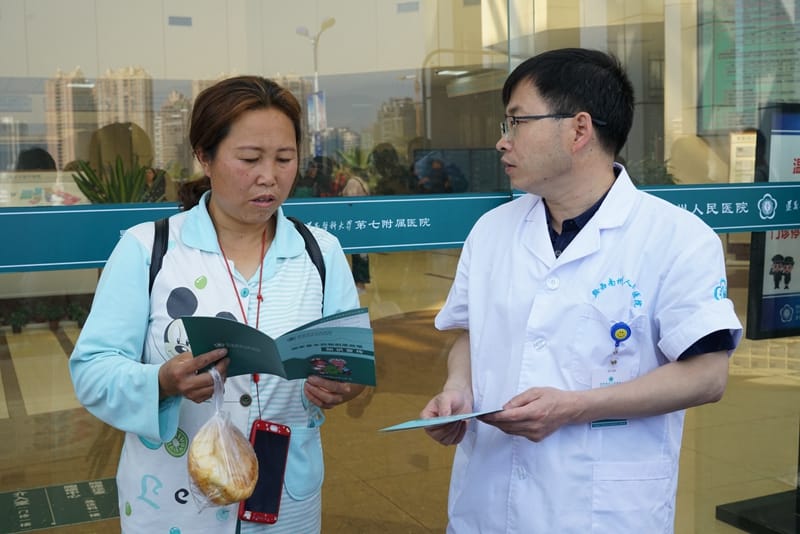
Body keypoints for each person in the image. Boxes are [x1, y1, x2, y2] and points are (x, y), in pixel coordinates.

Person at [420, 48, 742, 533]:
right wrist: (457, 391)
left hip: (602, 511)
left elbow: (707, 376)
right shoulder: (491, 231)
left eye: (516, 122)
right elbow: (471, 333)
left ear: (579, 129)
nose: (502, 141)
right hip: (487, 503)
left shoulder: (676, 238)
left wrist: (575, 407)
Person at [69, 75, 364, 534]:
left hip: (284, 501)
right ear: (204, 157)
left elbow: (352, 369)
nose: (269, 176)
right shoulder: (148, 249)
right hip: (174, 505)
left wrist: (344, 386)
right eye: (249, 158)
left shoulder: (320, 253)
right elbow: (92, 370)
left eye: (284, 158)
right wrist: (161, 381)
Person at [340, 172, 371, 291]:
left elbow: (350, 200)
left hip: (356, 220)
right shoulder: (362, 184)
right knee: (362, 253)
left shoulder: (352, 183)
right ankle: (360, 282)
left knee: (358, 254)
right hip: (363, 220)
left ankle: (359, 283)